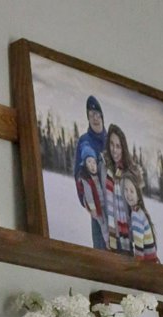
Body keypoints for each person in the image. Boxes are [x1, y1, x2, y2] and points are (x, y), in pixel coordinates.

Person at [73, 96, 106, 248]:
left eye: (97, 114)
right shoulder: (84, 141)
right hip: (96, 205)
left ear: (102, 116)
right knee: (100, 249)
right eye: (91, 115)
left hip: (115, 207)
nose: (95, 118)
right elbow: (77, 173)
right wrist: (85, 200)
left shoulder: (110, 140)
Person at [102, 125, 134, 254]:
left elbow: (136, 207)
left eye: (118, 146)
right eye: (111, 144)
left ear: (123, 148)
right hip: (111, 236)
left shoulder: (129, 173)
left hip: (129, 238)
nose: (114, 150)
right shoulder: (103, 168)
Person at [75, 143, 106, 249]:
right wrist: (93, 209)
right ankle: (102, 247)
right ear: (85, 164)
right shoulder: (86, 179)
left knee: (104, 226)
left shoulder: (98, 176)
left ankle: (106, 245)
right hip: (96, 209)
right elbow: (88, 195)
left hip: (103, 207)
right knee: (100, 227)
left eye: (94, 162)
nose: (92, 165)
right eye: (89, 162)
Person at [121, 170, 157, 262]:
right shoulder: (139, 210)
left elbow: (139, 250)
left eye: (132, 191)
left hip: (147, 264)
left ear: (138, 194)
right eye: (126, 189)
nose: (128, 194)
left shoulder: (136, 215)